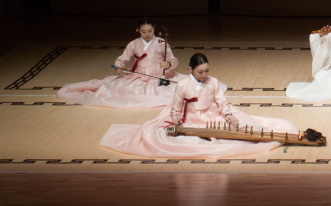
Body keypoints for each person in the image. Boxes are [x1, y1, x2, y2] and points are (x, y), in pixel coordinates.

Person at [100, 53, 302, 158]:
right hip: (192, 117)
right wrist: (177, 118)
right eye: (200, 72)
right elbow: (176, 106)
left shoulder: (213, 82)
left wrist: (228, 114)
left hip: (213, 114)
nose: (204, 75)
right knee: (182, 141)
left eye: (206, 71)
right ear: (190, 70)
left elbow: (222, 102)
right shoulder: (182, 85)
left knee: (247, 128)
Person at [57, 17, 181, 109]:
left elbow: (173, 60)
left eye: (150, 31)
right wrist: (119, 66)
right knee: (121, 90)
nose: (147, 34)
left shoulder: (161, 43)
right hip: (139, 75)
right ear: (138, 30)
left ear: (154, 28)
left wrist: (168, 65)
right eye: (144, 32)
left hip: (158, 75)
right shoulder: (133, 44)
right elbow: (123, 58)